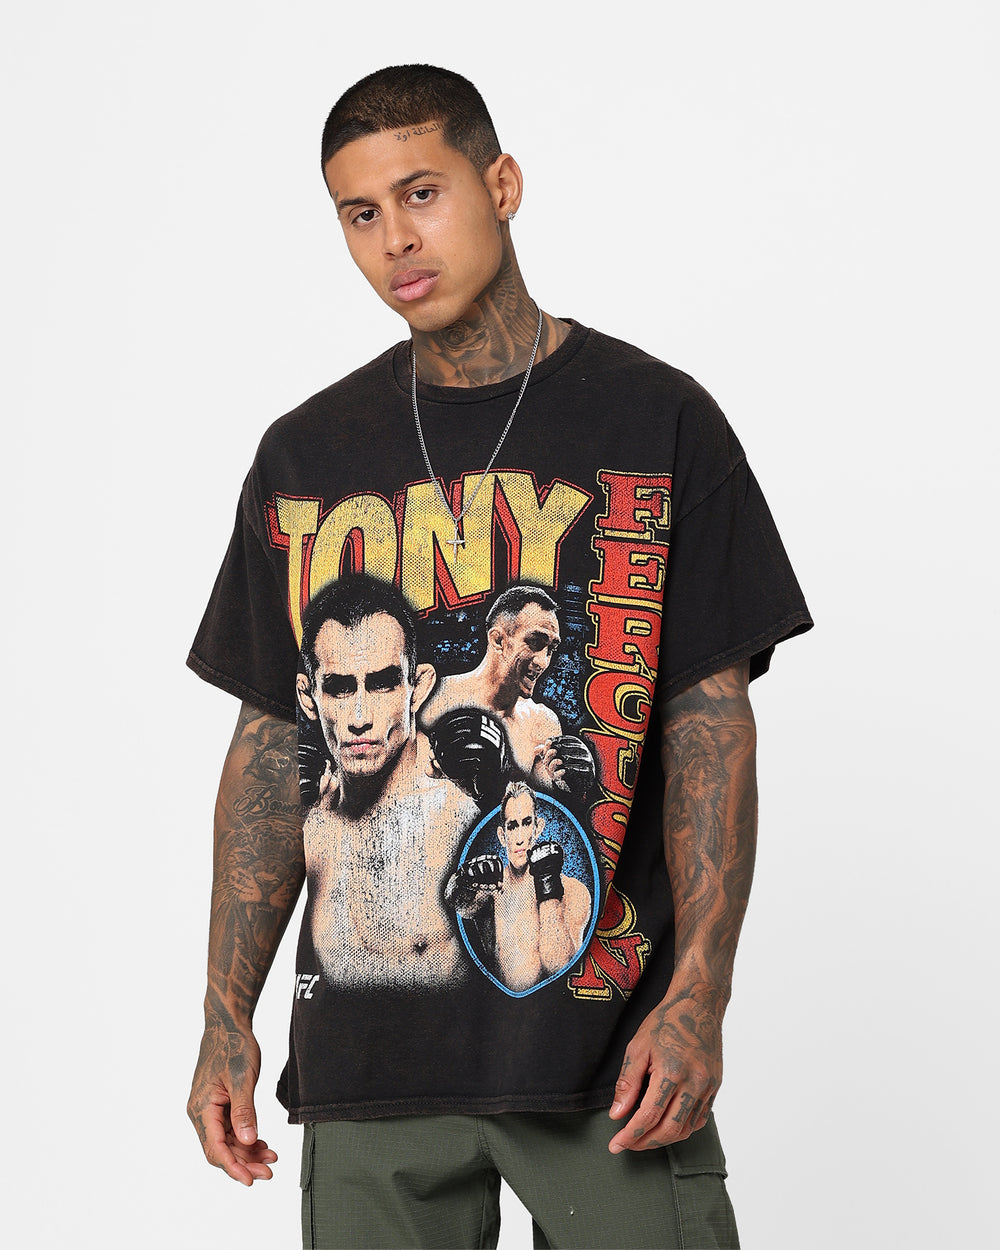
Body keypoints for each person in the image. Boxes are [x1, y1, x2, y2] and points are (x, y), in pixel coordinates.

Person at [186, 63, 812, 1249]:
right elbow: (269, 750)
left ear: (502, 183)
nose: (394, 240)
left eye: (421, 193)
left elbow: (709, 729)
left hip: (606, 1055)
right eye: (359, 213)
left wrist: (698, 995)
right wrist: (225, 1013)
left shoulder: (656, 419)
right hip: (370, 1060)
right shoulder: (306, 453)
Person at [295, 574, 481, 989]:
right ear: (309, 698)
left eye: (382, 684)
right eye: (339, 688)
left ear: (418, 688)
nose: (360, 717)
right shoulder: (313, 830)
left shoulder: (460, 822)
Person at [421, 584, 597, 798]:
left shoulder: (543, 722)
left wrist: (566, 783)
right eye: (535, 642)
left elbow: (537, 802)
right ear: (498, 640)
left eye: (551, 649)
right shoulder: (434, 699)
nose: (543, 662)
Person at [445, 780, 592, 993]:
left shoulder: (572, 890)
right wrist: (462, 882)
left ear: (538, 828)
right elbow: (459, 905)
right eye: (512, 826)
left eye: (526, 823)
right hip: (496, 1005)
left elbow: (560, 967)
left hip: (550, 1006)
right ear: (502, 836)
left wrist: (548, 889)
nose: (520, 838)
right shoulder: (493, 886)